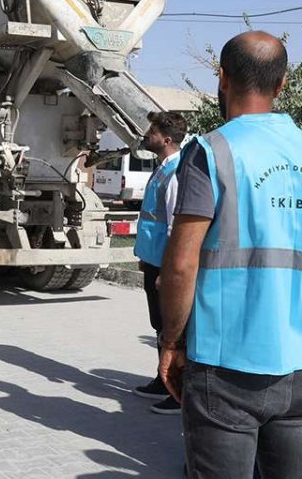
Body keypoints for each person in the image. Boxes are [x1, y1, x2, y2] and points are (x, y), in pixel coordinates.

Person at [156, 31, 302, 479]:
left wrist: (172, 342)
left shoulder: (212, 152)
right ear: (282, 85)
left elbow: (180, 264)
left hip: (225, 365)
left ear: (222, 78)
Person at [130, 110, 188, 416]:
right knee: (159, 324)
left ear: (165, 139)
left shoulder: (175, 173)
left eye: (151, 132)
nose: (146, 135)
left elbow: (173, 228)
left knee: (172, 328)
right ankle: (161, 378)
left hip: (163, 267)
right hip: (152, 261)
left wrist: (166, 271)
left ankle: (178, 391)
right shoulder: (162, 168)